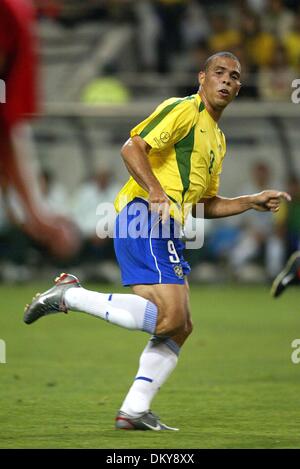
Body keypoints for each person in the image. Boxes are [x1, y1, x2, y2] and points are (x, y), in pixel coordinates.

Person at [24, 51, 290, 431]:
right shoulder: (184, 109)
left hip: (166, 223)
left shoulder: (218, 139)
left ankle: (133, 410)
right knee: (173, 316)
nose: (227, 81)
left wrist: (249, 201)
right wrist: (156, 191)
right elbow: (132, 147)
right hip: (144, 216)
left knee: (179, 325)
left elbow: (202, 204)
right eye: (219, 73)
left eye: (234, 76)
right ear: (202, 78)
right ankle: (70, 296)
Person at [0, 0, 79, 260]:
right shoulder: (11, 13)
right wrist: (33, 211)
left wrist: (32, 212)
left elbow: (6, 129)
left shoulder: (17, 14)